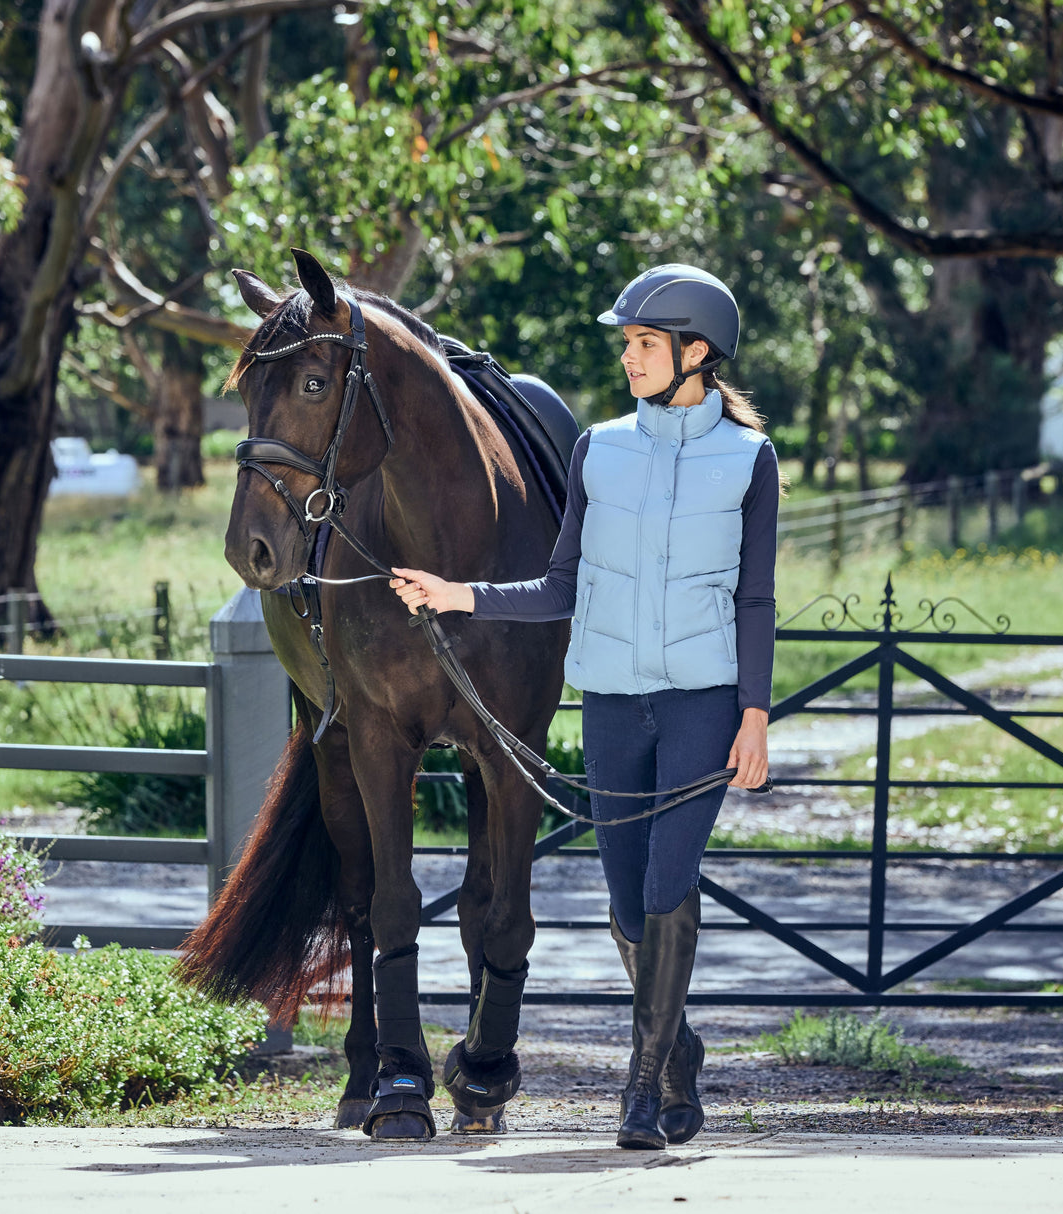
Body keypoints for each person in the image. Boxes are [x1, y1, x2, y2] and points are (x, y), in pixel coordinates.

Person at [390, 264, 780, 1150]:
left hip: (702, 705)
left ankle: (642, 1089)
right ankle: (680, 1054)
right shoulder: (599, 448)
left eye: (645, 343)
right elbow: (560, 582)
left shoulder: (748, 460)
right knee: (626, 902)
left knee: (668, 886)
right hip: (612, 703)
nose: (630, 357)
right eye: (629, 343)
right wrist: (461, 595)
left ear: (696, 353)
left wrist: (752, 713)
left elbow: (754, 599)